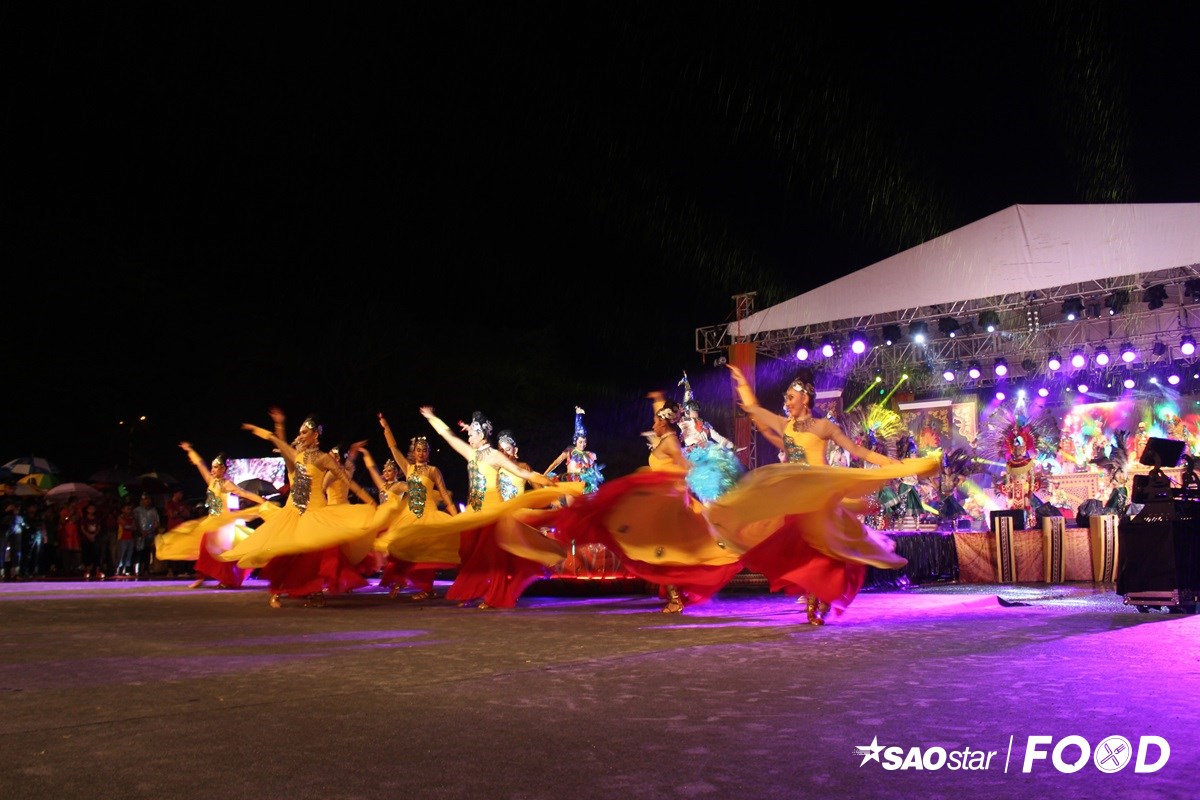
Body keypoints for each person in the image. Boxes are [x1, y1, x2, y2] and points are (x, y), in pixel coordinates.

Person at [717, 364, 940, 624]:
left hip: (820, 493)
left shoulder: (823, 427)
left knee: (824, 545)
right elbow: (755, 410)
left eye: (790, 398)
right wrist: (742, 382)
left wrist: (889, 463)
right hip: (796, 495)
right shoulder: (785, 425)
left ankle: (820, 597)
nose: (786, 403)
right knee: (801, 545)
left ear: (805, 398)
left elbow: (858, 452)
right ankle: (814, 594)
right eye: (786, 398)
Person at [553, 391, 745, 614]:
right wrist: (657, 400)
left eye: (655, 422)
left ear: (663, 423)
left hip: (668, 501)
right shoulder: (665, 438)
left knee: (664, 549)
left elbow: (684, 467)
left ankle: (675, 599)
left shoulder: (671, 441)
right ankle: (675, 596)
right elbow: (662, 426)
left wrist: (673, 482)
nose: (653, 425)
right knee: (659, 548)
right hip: (661, 500)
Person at [418, 406, 582, 609]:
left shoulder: (494, 455)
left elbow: (521, 473)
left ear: (481, 434)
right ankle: (473, 591)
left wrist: (547, 482)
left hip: (492, 509)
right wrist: (432, 417)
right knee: (467, 552)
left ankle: (495, 596)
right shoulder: (471, 453)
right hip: (473, 511)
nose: (468, 435)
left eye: (472, 432)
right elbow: (448, 436)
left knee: (493, 555)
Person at [220, 412, 380, 608]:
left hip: (316, 511)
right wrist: (266, 426)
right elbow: (276, 440)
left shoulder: (324, 458)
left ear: (315, 435)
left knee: (314, 554)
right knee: (286, 551)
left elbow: (347, 480)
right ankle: (278, 591)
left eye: (305, 433)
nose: (301, 436)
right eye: (300, 433)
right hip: (293, 512)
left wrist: (369, 500)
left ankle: (314, 591)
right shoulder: (297, 456)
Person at [365, 417, 461, 601]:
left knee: (427, 552)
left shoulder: (433, 470)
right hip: (410, 515)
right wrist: (386, 428)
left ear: (428, 452)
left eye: (424, 450)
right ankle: (401, 580)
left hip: (429, 514)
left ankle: (427, 588)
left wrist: (456, 516)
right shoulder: (408, 468)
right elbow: (394, 449)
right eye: (418, 450)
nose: (421, 453)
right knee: (401, 547)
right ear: (414, 452)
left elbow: (444, 494)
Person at [156, 444, 271, 590]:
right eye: (212, 467)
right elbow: (200, 465)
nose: (212, 470)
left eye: (216, 467)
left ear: (223, 469)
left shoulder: (226, 484)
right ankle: (201, 577)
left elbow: (244, 493)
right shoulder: (211, 482)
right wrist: (190, 451)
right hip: (211, 520)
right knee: (204, 549)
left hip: (223, 522)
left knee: (222, 552)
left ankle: (226, 579)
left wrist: (262, 501)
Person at [677, 371, 745, 503]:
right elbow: (687, 400)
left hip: (706, 451)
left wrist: (734, 447)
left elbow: (718, 438)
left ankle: (717, 503)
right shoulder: (684, 422)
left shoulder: (705, 424)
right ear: (687, 411)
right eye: (693, 410)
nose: (696, 412)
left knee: (714, 479)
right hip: (692, 454)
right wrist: (687, 385)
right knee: (692, 483)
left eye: (697, 410)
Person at [544, 407, 603, 496]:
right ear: (575, 441)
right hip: (571, 484)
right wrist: (545, 474)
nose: (583, 444)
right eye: (580, 442)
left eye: (585, 442)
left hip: (584, 487)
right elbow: (556, 462)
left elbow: (593, 472)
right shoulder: (570, 451)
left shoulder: (589, 455)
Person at [132, 493, 162, 577]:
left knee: (147, 552)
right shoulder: (137, 510)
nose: (147, 501)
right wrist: (140, 531)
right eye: (145, 499)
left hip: (149, 535)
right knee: (138, 552)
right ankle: (135, 570)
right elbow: (134, 522)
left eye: (148, 499)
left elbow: (156, 523)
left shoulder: (153, 511)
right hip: (139, 535)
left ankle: (145, 569)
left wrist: (150, 531)